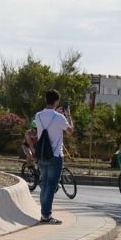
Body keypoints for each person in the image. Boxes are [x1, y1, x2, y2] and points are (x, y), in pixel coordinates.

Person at [32, 90, 72, 225]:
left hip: (42, 155)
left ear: (46, 100)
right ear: (57, 101)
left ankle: (44, 213)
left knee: (44, 185)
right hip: (55, 156)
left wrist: (58, 114)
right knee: (51, 186)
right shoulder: (60, 117)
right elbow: (70, 131)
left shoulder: (37, 116)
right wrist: (68, 115)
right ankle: (46, 215)